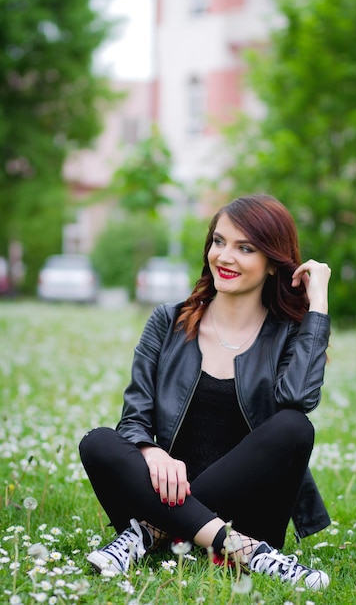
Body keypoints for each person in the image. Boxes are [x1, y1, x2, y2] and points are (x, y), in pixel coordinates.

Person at [79, 194, 332, 590]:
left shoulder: (288, 333)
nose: (225, 257)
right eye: (219, 241)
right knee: (98, 442)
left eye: (245, 248)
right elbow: (134, 417)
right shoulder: (168, 321)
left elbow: (298, 400)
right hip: (165, 491)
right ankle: (241, 550)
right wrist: (151, 451)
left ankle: (149, 534)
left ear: (271, 263)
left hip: (249, 515)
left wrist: (317, 304)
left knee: (294, 427)